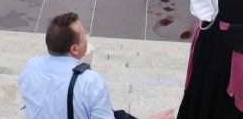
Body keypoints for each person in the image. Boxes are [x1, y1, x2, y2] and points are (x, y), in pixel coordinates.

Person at [21, 12, 175, 119]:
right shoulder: (90, 81)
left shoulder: (30, 67)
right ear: (74, 49)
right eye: (83, 35)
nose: (86, 34)